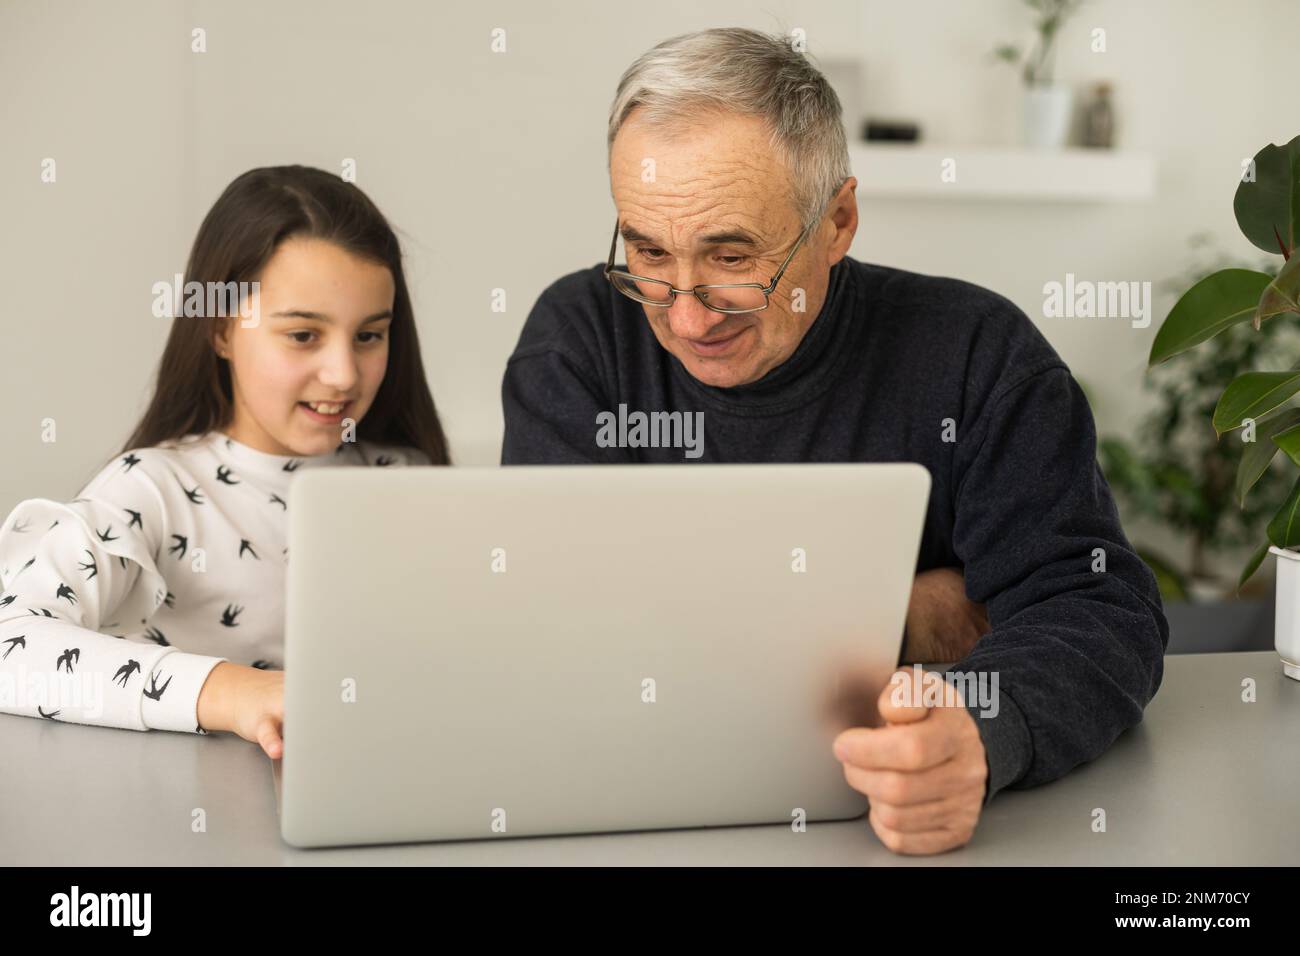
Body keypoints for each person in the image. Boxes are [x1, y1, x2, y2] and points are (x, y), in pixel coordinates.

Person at [501, 28, 1168, 854]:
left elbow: (1100, 611)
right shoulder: (580, 339)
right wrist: (917, 612)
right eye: (647, 253)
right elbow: (554, 628)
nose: (684, 316)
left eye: (732, 257)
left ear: (838, 221)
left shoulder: (977, 354)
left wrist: (983, 732)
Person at [0, 166, 450, 759]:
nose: (343, 374)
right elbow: (11, 644)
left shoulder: (409, 481)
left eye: (369, 337)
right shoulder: (151, 490)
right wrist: (237, 693)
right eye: (303, 336)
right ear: (219, 329)